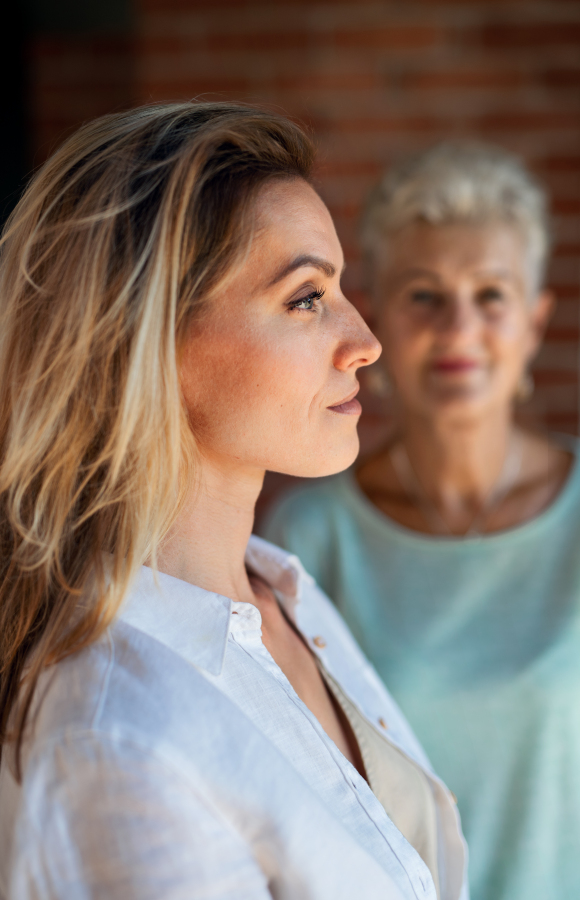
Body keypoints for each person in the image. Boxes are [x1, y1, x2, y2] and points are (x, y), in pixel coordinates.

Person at [0, 103, 467, 900]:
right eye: (305, 298)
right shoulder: (118, 738)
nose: (366, 339)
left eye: (338, 286)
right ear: (144, 342)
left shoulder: (279, 590)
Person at [263, 142, 580, 900]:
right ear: (375, 316)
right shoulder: (305, 540)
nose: (458, 327)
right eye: (424, 295)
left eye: (491, 295)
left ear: (536, 323)